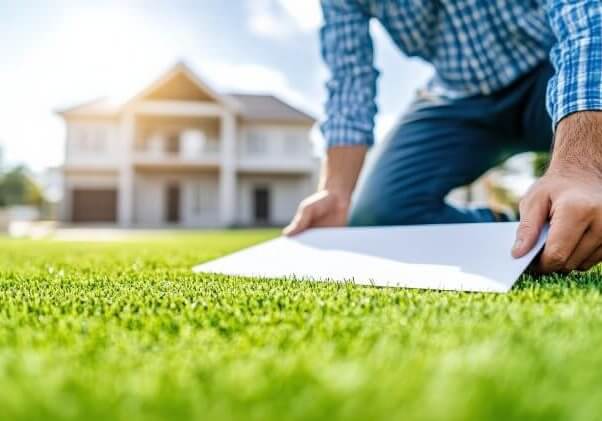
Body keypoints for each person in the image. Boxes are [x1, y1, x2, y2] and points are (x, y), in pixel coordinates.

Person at [284, 0, 602, 273]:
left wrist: (582, 164)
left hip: (555, 68)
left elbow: (585, 16)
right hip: (456, 97)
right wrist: (336, 190)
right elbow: (349, 79)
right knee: (378, 216)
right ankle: (524, 228)